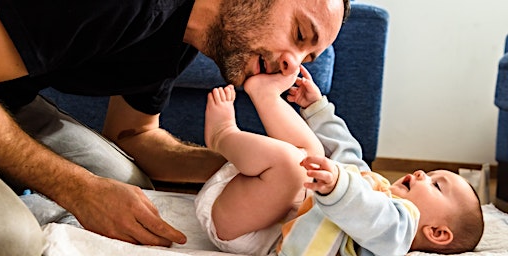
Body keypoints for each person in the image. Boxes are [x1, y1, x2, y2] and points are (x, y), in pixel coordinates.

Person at [0, 0, 351, 254]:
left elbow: (135, 136)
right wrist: (76, 188)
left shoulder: (185, 34)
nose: (291, 64)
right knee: (14, 239)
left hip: (12, 100)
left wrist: (261, 170)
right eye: (300, 32)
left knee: (129, 182)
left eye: (307, 59)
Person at [195, 66, 484, 255]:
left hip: (249, 231)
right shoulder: (374, 189)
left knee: (292, 166)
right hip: (270, 207)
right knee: (312, 156)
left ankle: (222, 135)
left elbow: (372, 216)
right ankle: (266, 95)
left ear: (437, 233)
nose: (422, 173)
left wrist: (338, 186)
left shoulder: (394, 236)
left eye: (436, 185)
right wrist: (317, 108)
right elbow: (347, 151)